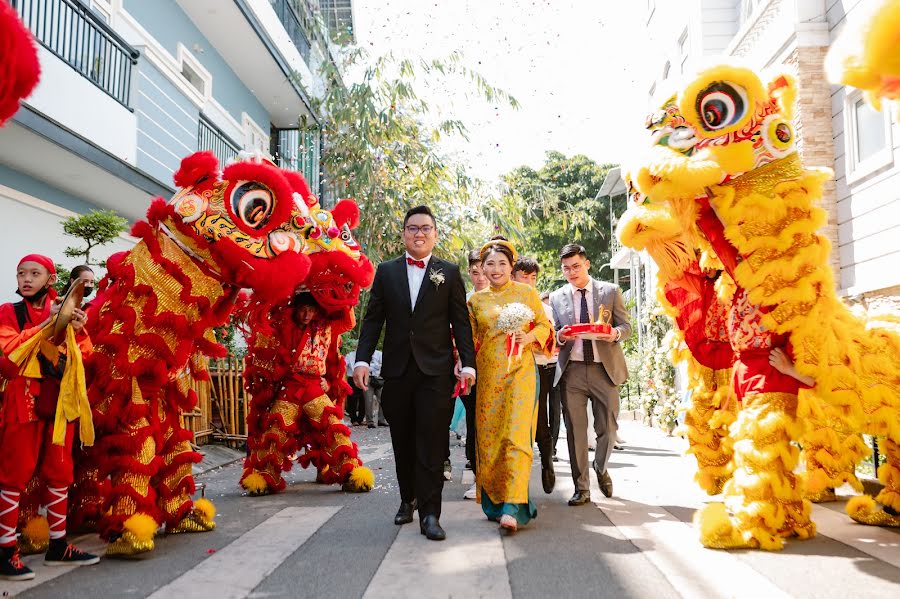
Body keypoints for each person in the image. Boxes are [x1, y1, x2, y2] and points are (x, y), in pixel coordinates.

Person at [353, 205, 476, 541]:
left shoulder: (448, 273)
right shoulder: (387, 271)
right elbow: (373, 320)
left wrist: (467, 364)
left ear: (434, 233)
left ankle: (431, 514)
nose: (418, 233)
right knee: (403, 440)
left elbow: (460, 325)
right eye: (412, 228)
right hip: (397, 371)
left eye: (425, 228)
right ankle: (407, 499)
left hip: (436, 373)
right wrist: (362, 360)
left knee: (434, 443)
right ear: (404, 233)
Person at [0, 255, 98, 581]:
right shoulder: (8, 312)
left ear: (51, 279)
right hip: (23, 400)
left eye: (34, 273)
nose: (26, 278)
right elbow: (8, 356)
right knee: (13, 475)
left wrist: (78, 331)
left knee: (60, 472)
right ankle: (5, 552)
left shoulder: (66, 313)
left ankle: (58, 545)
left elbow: (84, 357)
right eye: (21, 273)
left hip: (59, 401)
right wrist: (49, 324)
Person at [468, 238, 552, 533]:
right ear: (482, 268)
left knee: (518, 437)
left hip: (521, 374)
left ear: (511, 266)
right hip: (489, 378)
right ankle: (495, 500)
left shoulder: (527, 293)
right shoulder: (475, 301)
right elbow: (469, 342)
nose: (496, 269)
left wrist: (529, 338)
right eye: (489, 264)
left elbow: (545, 327)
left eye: (502, 263)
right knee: (490, 442)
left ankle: (513, 507)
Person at [549, 244, 631, 506]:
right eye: (566, 268)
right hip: (571, 371)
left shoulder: (610, 291)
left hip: (603, 369)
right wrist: (560, 335)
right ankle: (581, 487)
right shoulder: (556, 296)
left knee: (607, 426)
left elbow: (626, 326)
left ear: (587, 264)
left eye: (576, 266)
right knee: (575, 431)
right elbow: (555, 332)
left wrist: (614, 334)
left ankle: (601, 466)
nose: (571, 272)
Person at [511, 257, 556, 494]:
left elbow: (551, 343)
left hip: (538, 369)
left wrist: (530, 341)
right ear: (513, 276)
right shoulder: (503, 303)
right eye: (524, 276)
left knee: (539, 421)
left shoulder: (544, 308)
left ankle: (547, 462)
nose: (529, 282)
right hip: (507, 371)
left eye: (533, 278)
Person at [462, 249, 489, 500]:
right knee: (473, 422)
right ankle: (477, 476)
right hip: (470, 369)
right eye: (474, 272)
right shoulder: (465, 300)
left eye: (484, 271)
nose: (480, 277)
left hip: (496, 367)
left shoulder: (502, 298)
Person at [540, 291, 563, 461]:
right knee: (541, 409)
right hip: (540, 367)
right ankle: (544, 445)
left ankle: (552, 447)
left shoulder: (560, 318)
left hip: (556, 367)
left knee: (555, 408)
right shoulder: (539, 318)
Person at [365, 350, 387, 428]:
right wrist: (375, 367)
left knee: (383, 399)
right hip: (367, 378)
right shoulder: (365, 353)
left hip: (378, 378)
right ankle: (370, 422)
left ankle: (381, 420)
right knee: (368, 400)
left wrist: (371, 367)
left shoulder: (379, 354)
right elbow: (364, 367)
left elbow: (383, 365)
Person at [344, 350, 365, 425]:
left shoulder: (364, 354)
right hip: (352, 378)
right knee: (352, 399)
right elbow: (344, 365)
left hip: (363, 378)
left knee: (363, 398)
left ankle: (361, 418)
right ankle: (353, 419)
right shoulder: (350, 355)